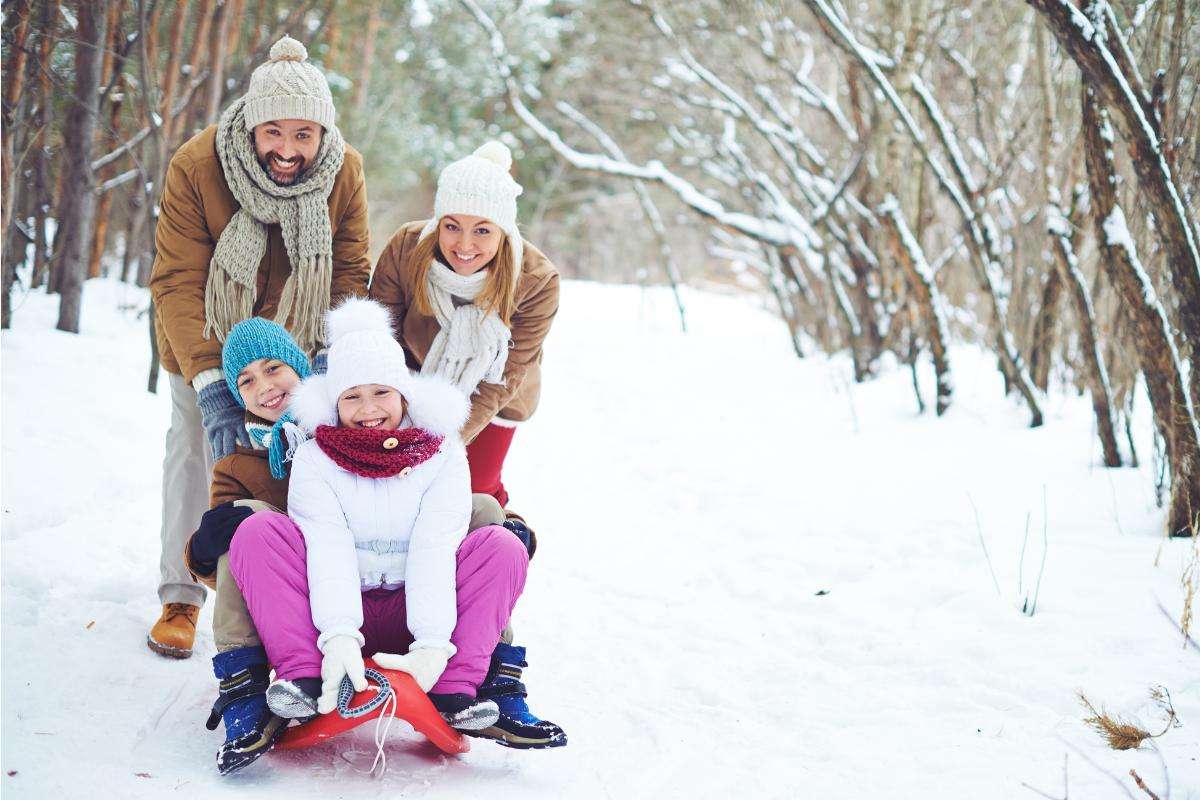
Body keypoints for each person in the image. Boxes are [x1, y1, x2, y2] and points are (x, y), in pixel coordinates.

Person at [228, 299, 557, 760]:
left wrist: (431, 646)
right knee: (256, 531)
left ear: (404, 394)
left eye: (380, 392)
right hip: (335, 614)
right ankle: (301, 678)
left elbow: (435, 546)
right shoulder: (313, 458)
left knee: (500, 544)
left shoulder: (442, 454)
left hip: (415, 608)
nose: (367, 410)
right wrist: (339, 635)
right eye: (351, 396)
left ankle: (455, 686)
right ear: (333, 401)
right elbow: (327, 544)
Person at [147, 35, 371, 659]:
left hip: (298, 342)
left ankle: (290, 597)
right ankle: (181, 595)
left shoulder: (343, 169)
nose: (288, 150)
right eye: (275, 132)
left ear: (323, 133)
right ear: (251, 124)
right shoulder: (199, 163)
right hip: (207, 336)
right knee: (198, 445)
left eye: (305, 135)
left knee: (302, 461)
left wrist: (328, 358)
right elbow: (178, 279)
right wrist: (213, 383)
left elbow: (350, 268)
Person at [369, 141, 565, 749]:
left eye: (483, 230)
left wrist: (442, 441)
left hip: (490, 402)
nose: (464, 243)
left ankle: (497, 671)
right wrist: (395, 427)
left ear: (503, 231)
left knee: (475, 506)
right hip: (407, 385)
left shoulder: (534, 279)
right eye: (451, 225)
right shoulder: (406, 247)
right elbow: (378, 341)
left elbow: (502, 378)